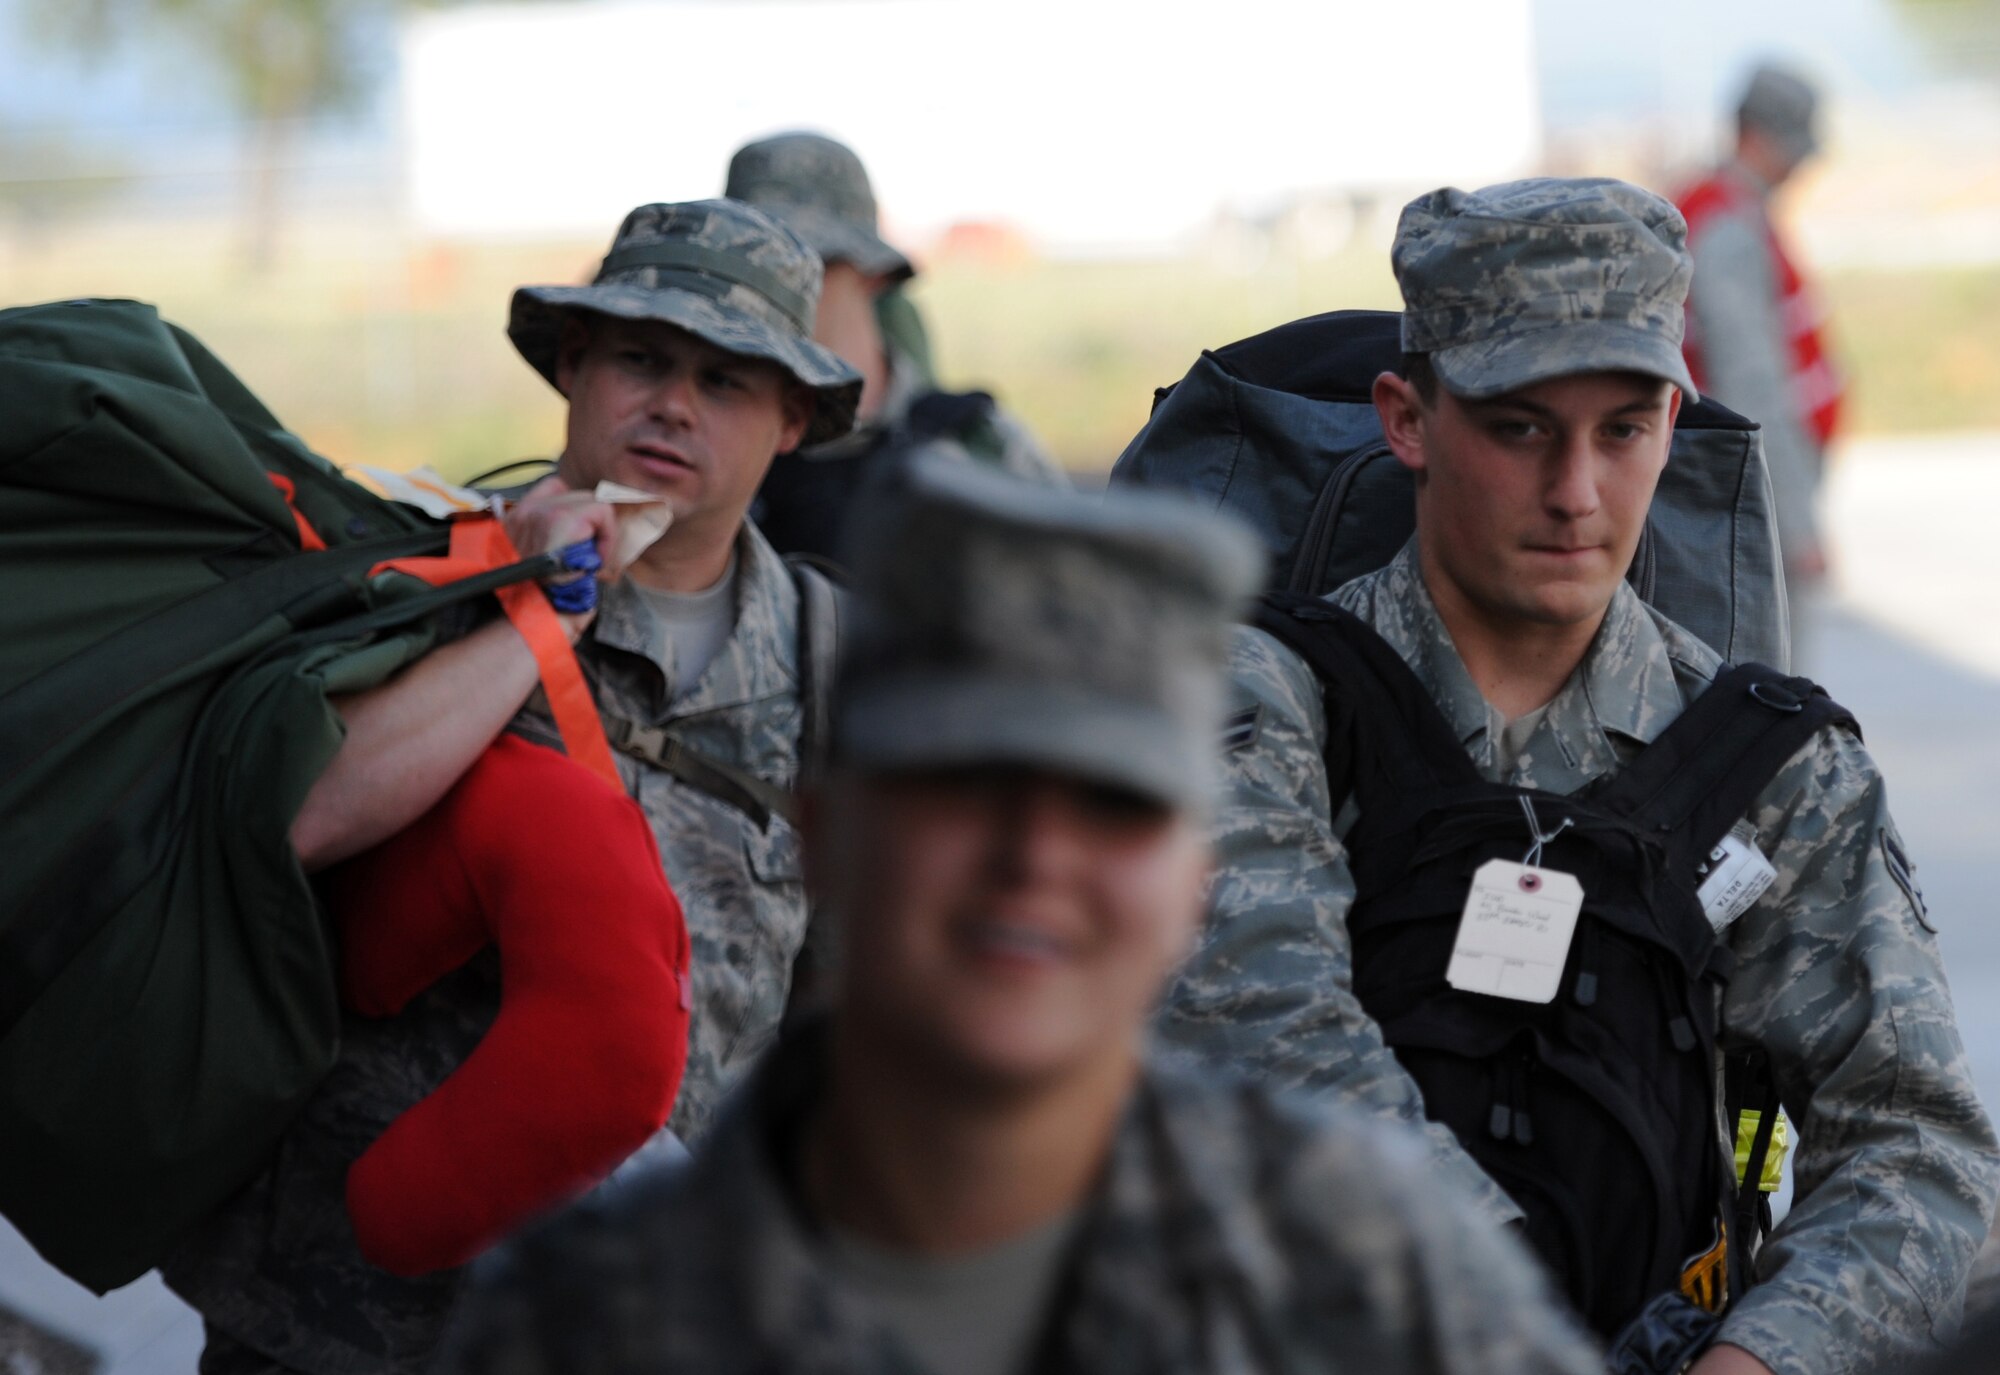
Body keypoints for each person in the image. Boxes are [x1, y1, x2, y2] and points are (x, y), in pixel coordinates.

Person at [436, 454, 1604, 1375]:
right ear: (827, 833)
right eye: (960, 787)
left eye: (1113, 804)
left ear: (1193, 880)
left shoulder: (1367, 1262)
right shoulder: (589, 1315)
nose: (1033, 858)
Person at [1157, 178, 1999, 1375]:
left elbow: (1917, 1145)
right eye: (1517, 427)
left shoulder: (1767, 768)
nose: (1575, 493)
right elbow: (1259, 1032)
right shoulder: (1263, 701)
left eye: (1623, 428)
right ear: (1405, 418)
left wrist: (1757, 1360)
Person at [161, 198, 865, 1374]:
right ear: (574, 367)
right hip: (340, 1312)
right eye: (640, 358)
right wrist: (534, 605)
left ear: (790, 419)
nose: (674, 404)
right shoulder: (425, 576)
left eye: (727, 380)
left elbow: (843, 1008)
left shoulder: (832, 656)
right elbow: (306, 815)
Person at [724, 130, 1064, 564]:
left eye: (805, 264)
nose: (775, 288)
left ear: (874, 272)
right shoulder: (706, 439)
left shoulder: (979, 447)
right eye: (750, 266)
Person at [1677, 63, 1845, 670]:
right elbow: (1752, 385)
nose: (1801, 165)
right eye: (1793, 147)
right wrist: (1797, 526)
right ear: (1757, 136)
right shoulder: (1726, 225)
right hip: (1754, 495)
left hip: (1749, 488)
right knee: (1776, 673)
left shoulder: (1730, 209)